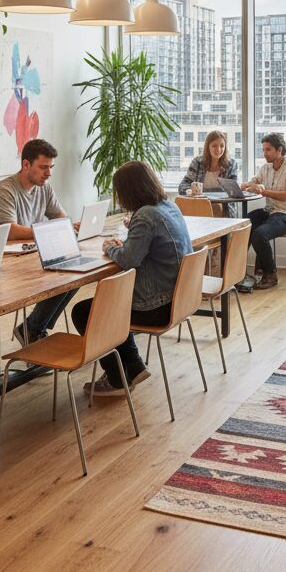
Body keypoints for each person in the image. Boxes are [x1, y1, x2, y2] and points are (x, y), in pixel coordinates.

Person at [74, 161, 194, 397]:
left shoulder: (146, 216)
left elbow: (128, 260)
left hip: (157, 305)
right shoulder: (169, 207)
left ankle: (119, 377)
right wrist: (127, 246)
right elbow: (139, 252)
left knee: (84, 311)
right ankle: (134, 366)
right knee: (108, 305)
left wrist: (110, 248)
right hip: (179, 297)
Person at [0, 138, 78, 348]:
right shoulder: (4, 191)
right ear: (26, 165)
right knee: (63, 276)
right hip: (0, 263)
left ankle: (32, 329)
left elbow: (60, 217)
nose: (49, 173)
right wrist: (52, 230)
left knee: (74, 275)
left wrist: (69, 226)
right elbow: (11, 231)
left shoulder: (44, 188)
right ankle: (31, 330)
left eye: (51, 167)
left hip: (28, 257)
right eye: (43, 167)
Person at [239, 132, 286, 292]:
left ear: (279, 149)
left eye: (268, 150)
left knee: (260, 234)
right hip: (272, 212)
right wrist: (248, 185)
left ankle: (270, 274)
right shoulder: (266, 168)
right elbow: (255, 181)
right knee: (244, 224)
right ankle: (238, 271)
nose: (264, 153)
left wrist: (264, 192)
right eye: (263, 150)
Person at [178, 129, 240, 194]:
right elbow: (182, 186)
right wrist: (191, 191)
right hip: (201, 203)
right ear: (208, 147)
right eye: (214, 146)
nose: (218, 149)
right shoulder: (197, 162)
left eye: (222, 146)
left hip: (224, 203)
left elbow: (233, 191)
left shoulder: (231, 164)